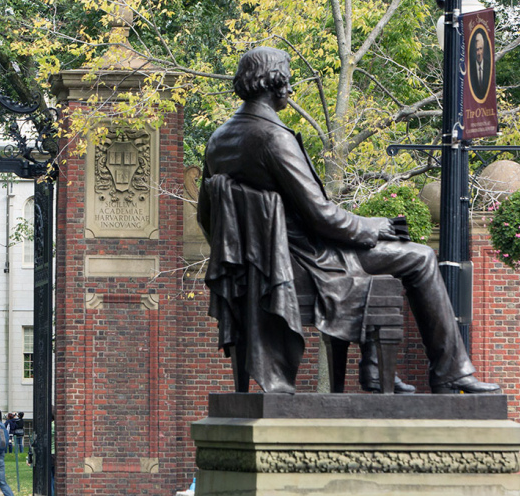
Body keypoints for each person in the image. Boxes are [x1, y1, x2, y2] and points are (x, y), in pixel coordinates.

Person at [198, 46, 500, 395]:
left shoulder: (218, 140)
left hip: (260, 264)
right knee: (421, 258)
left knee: (385, 258)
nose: (291, 89)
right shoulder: (272, 137)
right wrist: (376, 226)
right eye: (288, 81)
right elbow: (322, 215)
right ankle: (451, 373)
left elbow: (207, 217)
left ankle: (374, 371)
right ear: (275, 83)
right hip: (304, 260)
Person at [469, 29, 492, 101]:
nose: (479, 53)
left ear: (484, 48)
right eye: (476, 50)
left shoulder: (490, 66)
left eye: (480, 49)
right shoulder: (469, 68)